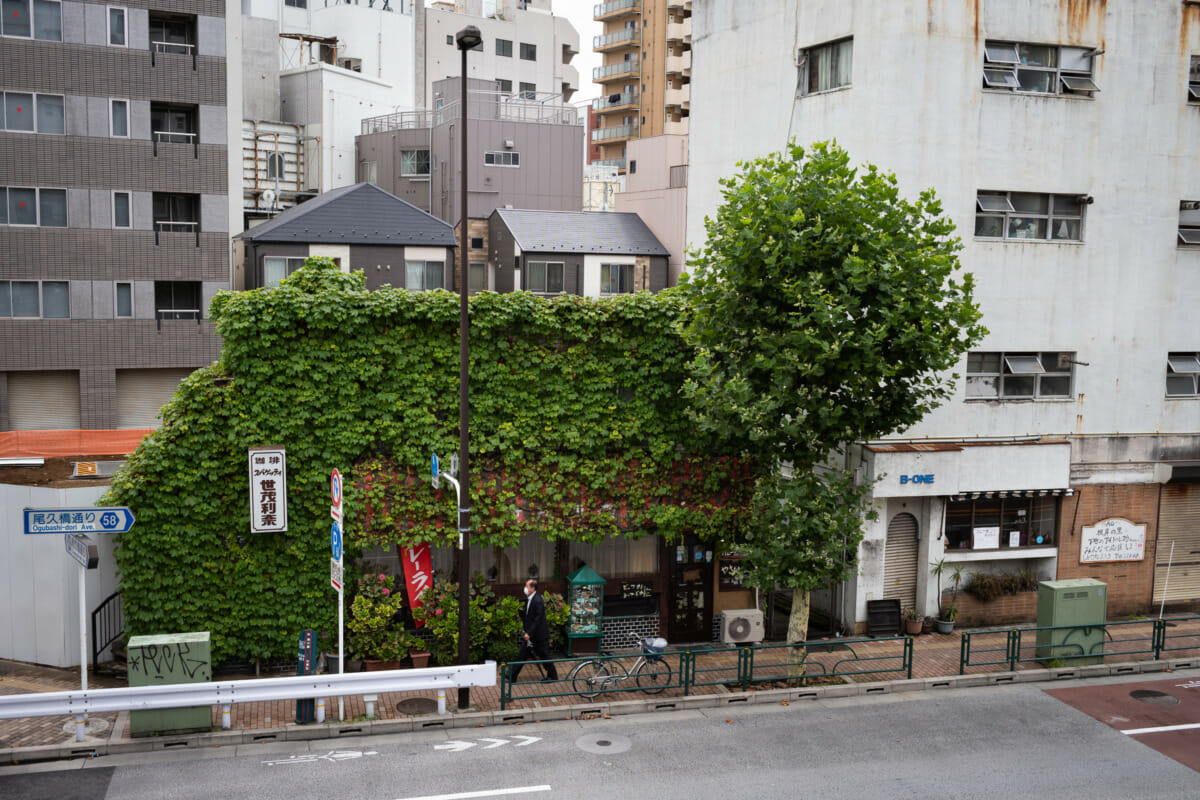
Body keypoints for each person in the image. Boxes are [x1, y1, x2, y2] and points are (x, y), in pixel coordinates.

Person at [510, 578, 557, 682]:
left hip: (539, 636)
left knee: (545, 656)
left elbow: (537, 619)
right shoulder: (530, 598)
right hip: (532, 635)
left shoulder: (537, 600)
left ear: (532, 588)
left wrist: (529, 633)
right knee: (522, 655)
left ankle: (552, 676)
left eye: (526, 586)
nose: (525, 588)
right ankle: (512, 675)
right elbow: (529, 616)